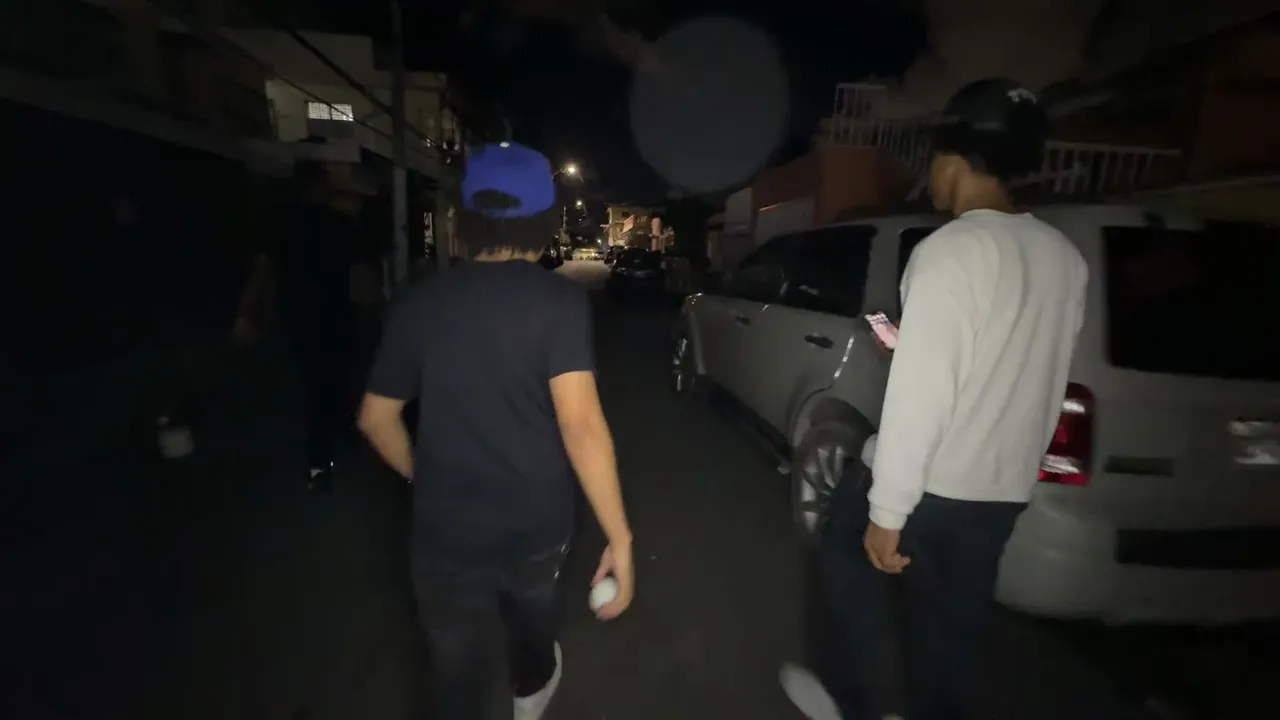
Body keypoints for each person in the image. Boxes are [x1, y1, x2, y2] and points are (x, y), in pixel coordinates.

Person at [780, 78, 1089, 720]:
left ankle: (851, 702)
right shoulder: (1065, 258)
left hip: (931, 485)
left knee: (843, 560)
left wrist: (889, 507)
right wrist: (915, 345)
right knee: (953, 633)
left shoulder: (950, 249)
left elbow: (922, 395)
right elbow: (1030, 369)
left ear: (955, 159)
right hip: (999, 493)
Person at [356, 142, 635, 720]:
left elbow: (375, 419)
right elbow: (581, 426)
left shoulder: (419, 303)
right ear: (544, 220)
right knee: (533, 614)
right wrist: (621, 538)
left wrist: (425, 477)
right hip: (535, 521)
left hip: (445, 525)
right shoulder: (558, 302)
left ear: (466, 218)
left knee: (454, 660)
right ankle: (530, 694)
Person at [232, 162, 380, 492]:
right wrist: (373, 312)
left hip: (300, 316)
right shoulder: (340, 225)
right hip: (336, 316)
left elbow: (264, 268)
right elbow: (360, 277)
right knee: (334, 382)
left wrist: (249, 312)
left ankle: (323, 455)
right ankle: (327, 453)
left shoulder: (281, 222)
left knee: (316, 386)